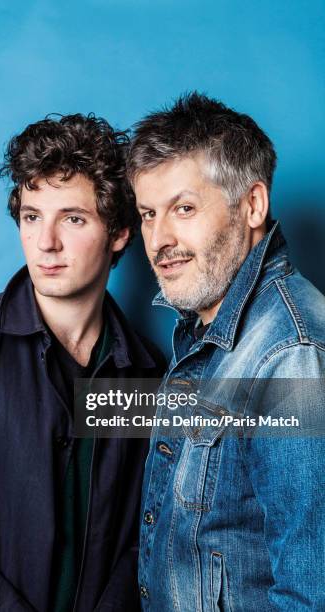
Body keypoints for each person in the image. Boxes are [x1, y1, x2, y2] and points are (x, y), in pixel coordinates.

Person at [0, 113, 165, 611]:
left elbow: (144, 536)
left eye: (72, 218)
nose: (45, 242)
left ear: (118, 232)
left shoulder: (148, 374)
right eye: (32, 217)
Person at [126, 93, 325, 610]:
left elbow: (312, 592)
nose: (159, 239)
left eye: (184, 208)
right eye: (148, 214)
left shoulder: (290, 354)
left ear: (253, 205)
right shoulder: (200, 326)